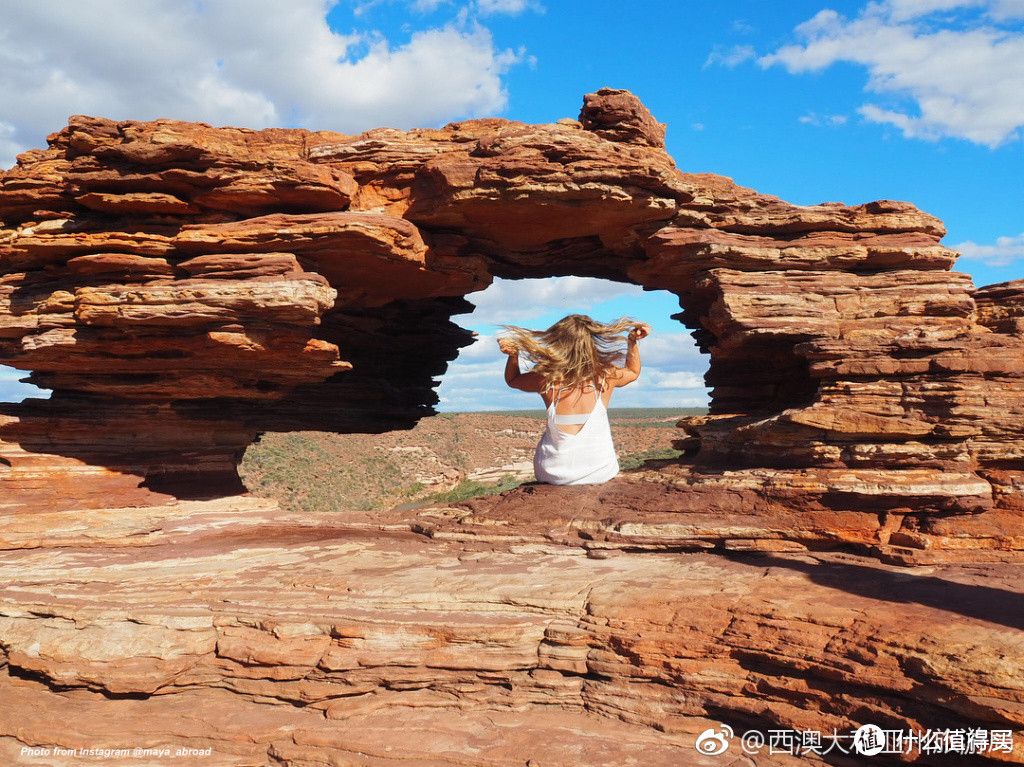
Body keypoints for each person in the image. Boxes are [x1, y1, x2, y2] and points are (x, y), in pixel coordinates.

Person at [497, 314, 651, 486]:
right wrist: (632, 342)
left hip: (553, 474)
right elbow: (633, 372)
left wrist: (513, 355)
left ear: (557, 343)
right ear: (591, 342)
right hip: (600, 472)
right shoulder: (605, 376)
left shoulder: (546, 379)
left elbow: (513, 380)